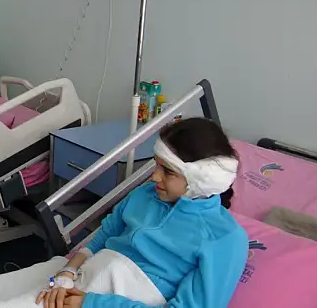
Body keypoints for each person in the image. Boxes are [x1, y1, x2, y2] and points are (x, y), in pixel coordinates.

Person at [37, 118, 248, 308]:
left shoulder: (224, 238)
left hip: (113, 296)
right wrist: (67, 272)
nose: (155, 177)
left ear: (202, 179)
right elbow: (104, 235)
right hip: (84, 276)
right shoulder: (145, 194)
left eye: (168, 171)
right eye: (156, 165)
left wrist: (92, 303)